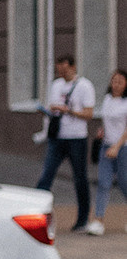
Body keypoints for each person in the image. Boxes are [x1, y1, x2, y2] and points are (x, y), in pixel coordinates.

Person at [38, 54, 95, 232]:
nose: (60, 72)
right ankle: (36, 216)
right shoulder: (56, 85)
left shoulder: (84, 86)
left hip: (76, 138)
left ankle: (82, 219)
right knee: (46, 175)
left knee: (80, 178)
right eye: (58, 69)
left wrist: (68, 110)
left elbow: (89, 113)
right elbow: (53, 108)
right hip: (57, 137)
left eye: (63, 68)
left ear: (72, 67)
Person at [88, 68, 127, 232]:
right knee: (103, 182)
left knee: (124, 183)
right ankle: (98, 220)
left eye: (120, 82)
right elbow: (107, 121)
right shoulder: (107, 99)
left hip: (123, 148)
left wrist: (117, 147)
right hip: (106, 146)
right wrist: (102, 132)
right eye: (114, 81)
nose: (116, 85)